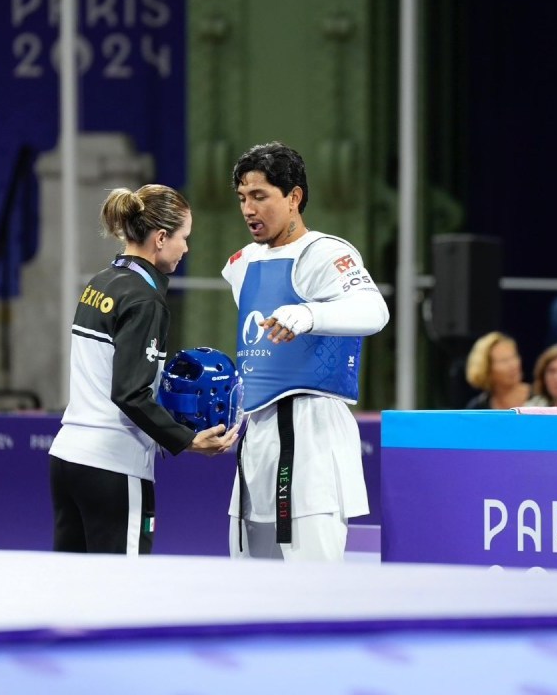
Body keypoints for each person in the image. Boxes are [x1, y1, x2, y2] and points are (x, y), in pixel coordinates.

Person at [49, 186, 239, 556]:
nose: (186, 248)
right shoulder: (144, 298)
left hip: (68, 459)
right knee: (122, 597)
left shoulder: (100, 282)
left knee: (73, 594)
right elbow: (129, 392)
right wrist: (188, 439)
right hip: (112, 466)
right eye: (184, 238)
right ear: (161, 238)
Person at [222, 142, 389, 561]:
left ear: (294, 197)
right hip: (255, 436)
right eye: (242, 198)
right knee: (246, 587)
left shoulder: (326, 253)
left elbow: (375, 310)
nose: (248, 209)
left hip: (312, 435)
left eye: (260, 196)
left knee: (311, 590)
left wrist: (309, 314)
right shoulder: (240, 264)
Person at [463, 332, 532, 409]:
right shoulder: (478, 408)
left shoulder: (541, 397)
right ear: (487, 370)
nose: (513, 365)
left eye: (514, 357)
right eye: (504, 360)